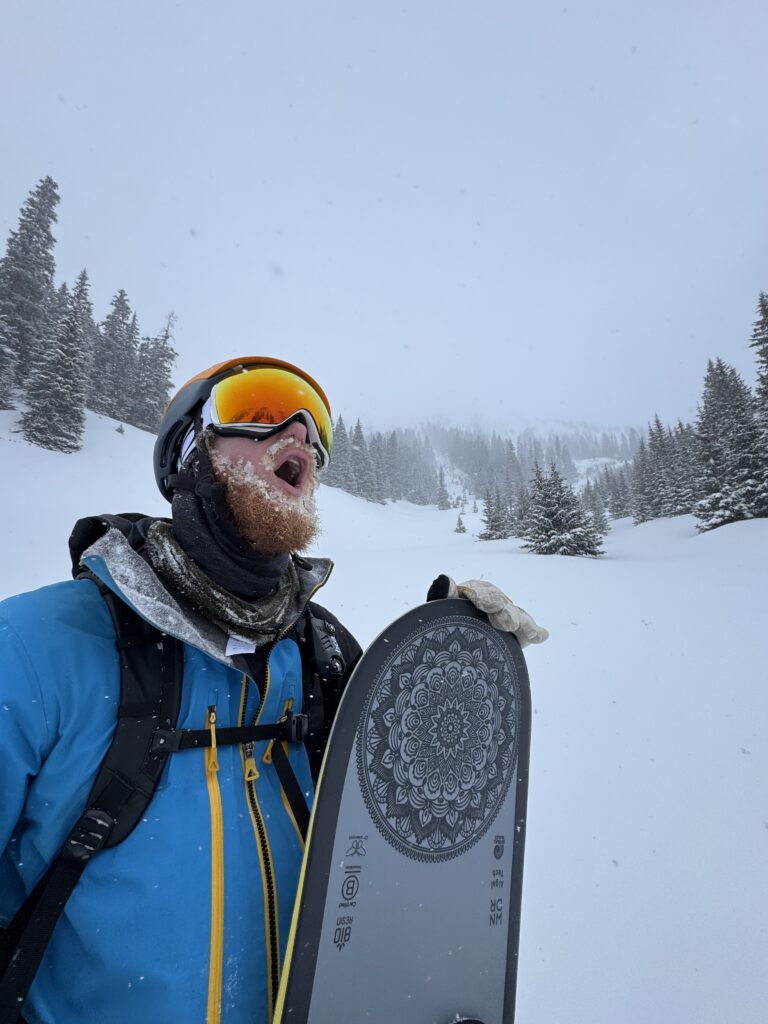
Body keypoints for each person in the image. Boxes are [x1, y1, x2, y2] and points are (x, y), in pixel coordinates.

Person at [0, 356, 547, 1024]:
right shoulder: (33, 649)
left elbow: (399, 843)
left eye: (315, 432)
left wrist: (447, 659)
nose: (300, 438)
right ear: (188, 453)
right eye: (258, 412)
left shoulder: (325, 656)